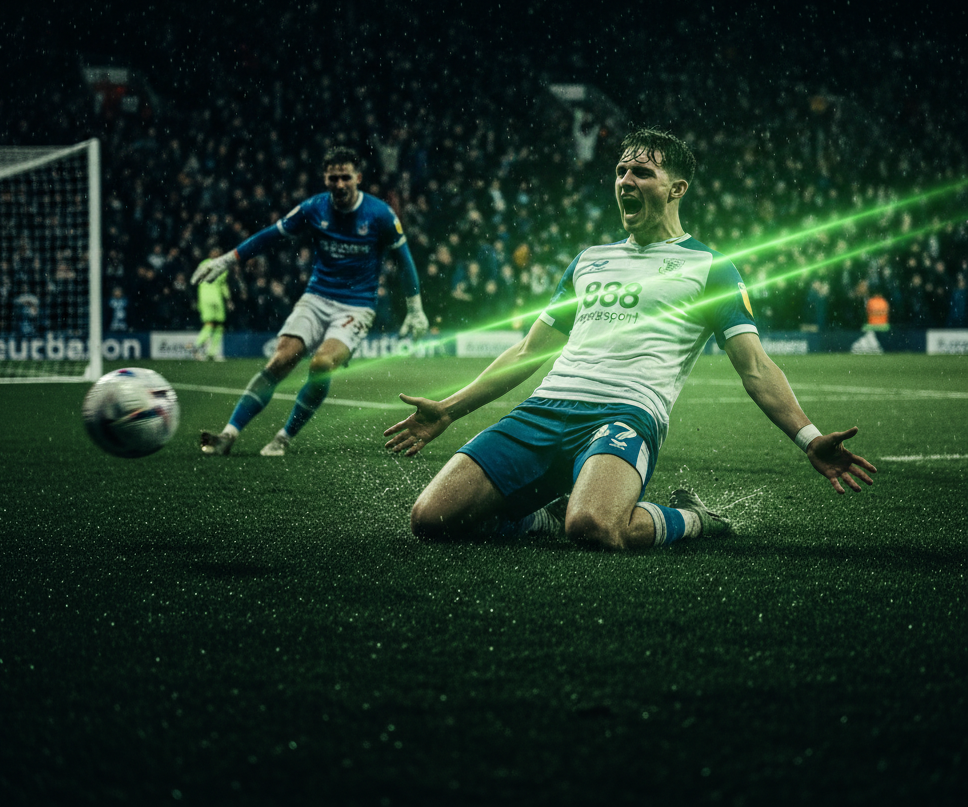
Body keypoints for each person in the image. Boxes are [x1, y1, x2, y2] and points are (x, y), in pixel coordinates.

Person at [385, 128, 876, 550]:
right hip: (545, 409)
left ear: (677, 188)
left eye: (641, 173)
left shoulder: (710, 268)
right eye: (621, 172)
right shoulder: (588, 260)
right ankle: (541, 517)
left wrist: (809, 438)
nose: (625, 181)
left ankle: (696, 519)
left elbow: (756, 368)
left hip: (625, 413)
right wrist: (450, 409)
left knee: (594, 528)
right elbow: (528, 351)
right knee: (431, 520)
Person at [192, 146, 429, 456]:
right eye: (333, 178)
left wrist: (415, 309)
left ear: (358, 178)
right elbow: (270, 235)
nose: (340, 184)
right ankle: (228, 435)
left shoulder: (380, 214)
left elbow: (404, 259)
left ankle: (284, 436)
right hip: (317, 297)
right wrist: (228, 259)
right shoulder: (313, 208)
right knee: (281, 359)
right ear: (325, 178)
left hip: (356, 306)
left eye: (346, 177)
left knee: (321, 363)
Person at [193, 246, 233, 361]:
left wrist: (228, 299)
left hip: (218, 298)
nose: (216, 254)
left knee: (219, 325)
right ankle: (196, 347)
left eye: (218, 253)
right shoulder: (205, 263)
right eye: (214, 252)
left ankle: (212, 353)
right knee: (209, 323)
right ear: (210, 253)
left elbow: (223, 285)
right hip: (206, 297)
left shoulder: (223, 267)